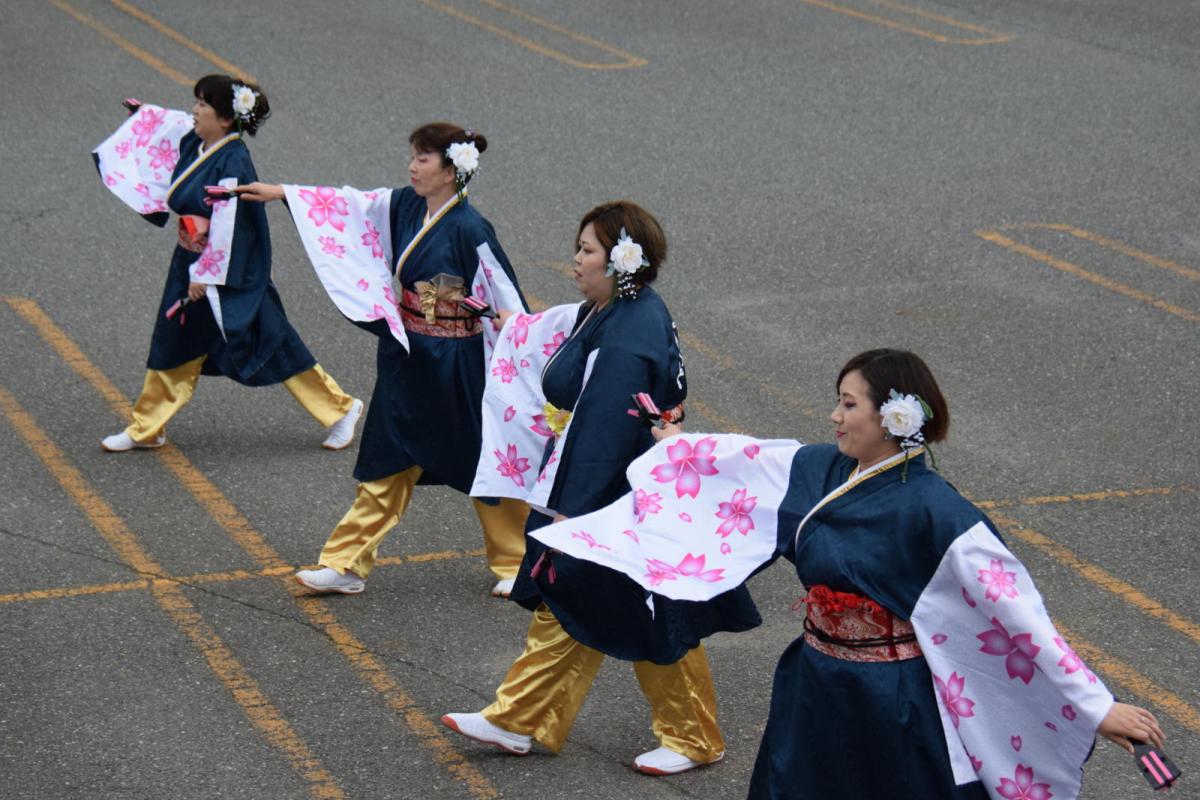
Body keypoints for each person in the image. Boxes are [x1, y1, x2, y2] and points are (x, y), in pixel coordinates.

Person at [614, 349, 1166, 799]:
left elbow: (1017, 615)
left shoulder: (936, 510)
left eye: (848, 404)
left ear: (893, 417)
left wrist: (1095, 706)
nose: (834, 415)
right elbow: (746, 462)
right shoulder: (824, 469)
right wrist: (677, 446)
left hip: (890, 698)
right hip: (814, 681)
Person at [441, 201, 761, 775]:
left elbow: (605, 428)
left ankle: (692, 737)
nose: (576, 260)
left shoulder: (625, 338)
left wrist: (573, 510)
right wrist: (510, 323)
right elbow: (561, 334)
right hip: (613, 481)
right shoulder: (614, 310)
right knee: (576, 597)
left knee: (650, 611)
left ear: (620, 262)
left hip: (618, 489)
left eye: (587, 251)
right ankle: (519, 717)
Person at [235, 123, 529, 597]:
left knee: (482, 459)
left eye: (424, 159)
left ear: (452, 170)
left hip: (457, 363)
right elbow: (351, 205)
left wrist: (509, 337)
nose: (412, 166)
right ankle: (346, 563)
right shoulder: (406, 206)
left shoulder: (471, 228)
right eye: (413, 156)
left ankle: (518, 562)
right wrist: (282, 193)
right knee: (386, 458)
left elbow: (507, 298)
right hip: (408, 353)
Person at [93, 75, 362, 454]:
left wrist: (205, 274)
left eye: (203, 104)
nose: (194, 110)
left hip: (226, 270)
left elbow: (229, 224)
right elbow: (174, 124)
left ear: (224, 120)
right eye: (197, 102)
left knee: (271, 340)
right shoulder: (200, 141)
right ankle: (147, 427)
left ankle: (341, 408)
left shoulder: (234, 160)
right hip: (189, 260)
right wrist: (145, 117)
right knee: (173, 341)